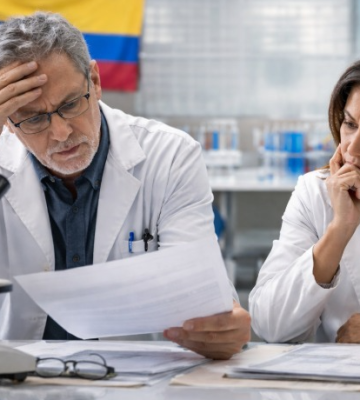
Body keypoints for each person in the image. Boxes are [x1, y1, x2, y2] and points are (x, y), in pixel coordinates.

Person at [0, 11, 250, 359]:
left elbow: (202, 295)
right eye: (33, 118)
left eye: (70, 104)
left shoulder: (170, 156)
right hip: (18, 373)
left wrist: (220, 328)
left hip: (135, 376)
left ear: (94, 80)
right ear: (8, 122)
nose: (60, 133)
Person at [250, 42, 360, 344]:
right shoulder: (316, 193)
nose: (353, 149)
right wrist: (339, 229)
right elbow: (269, 324)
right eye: (350, 124)